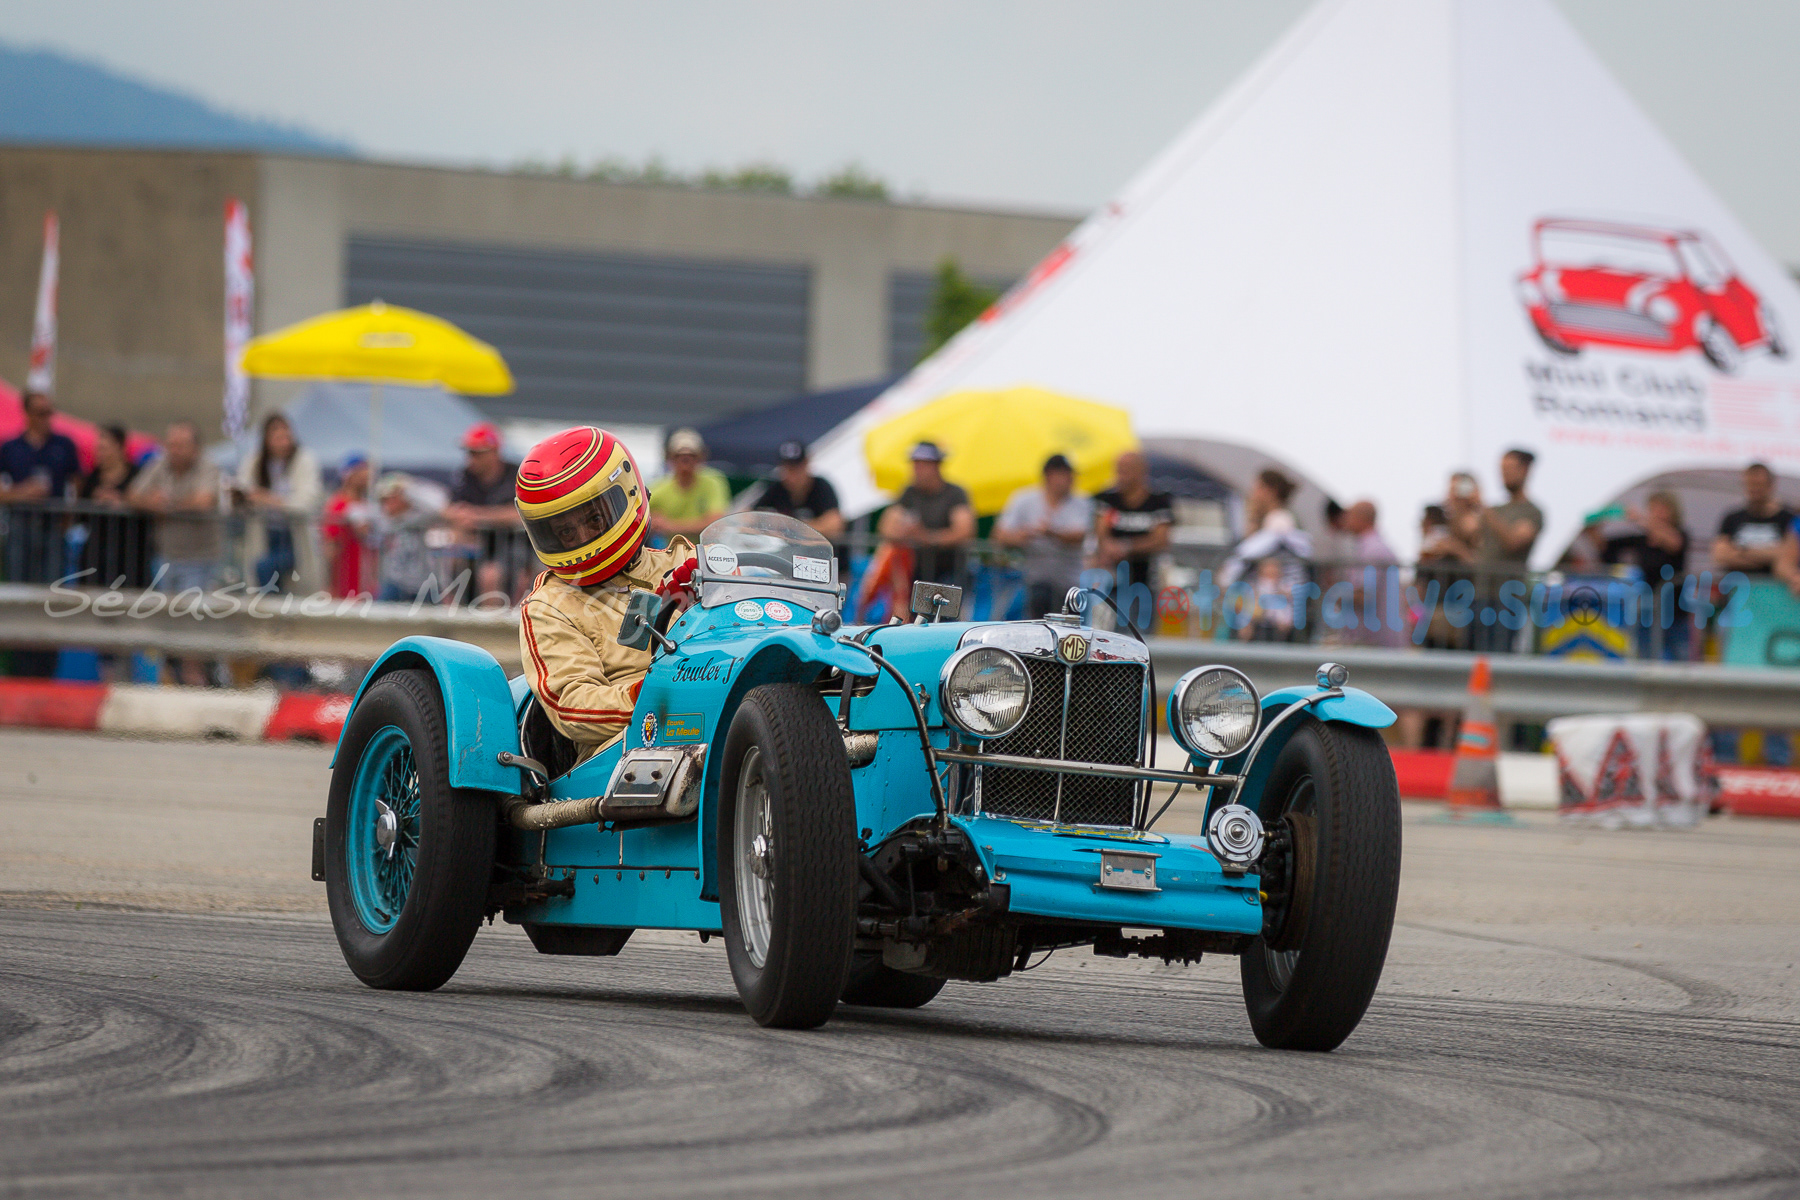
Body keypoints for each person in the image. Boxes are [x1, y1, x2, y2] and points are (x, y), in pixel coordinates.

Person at [515, 426, 697, 762]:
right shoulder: (549, 605)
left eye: (595, 519)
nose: (583, 537)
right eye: (566, 531)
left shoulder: (688, 560)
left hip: (720, 699)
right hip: (626, 743)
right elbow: (572, 703)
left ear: (628, 494)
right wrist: (648, 694)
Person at [1462, 449, 1543, 653]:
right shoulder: (1496, 510)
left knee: (1498, 657)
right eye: (1502, 469)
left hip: (1507, 599)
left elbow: (1513, 542)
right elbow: (1467, 532)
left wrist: (1483, 507)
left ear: (1525, 470)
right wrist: (1458, 505)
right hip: (1480, 595)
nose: (1504, 474)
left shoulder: (1532, 512)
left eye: (1510, 468)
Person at [128, 421, 222, 594]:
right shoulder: (159, 465)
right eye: (171, 445)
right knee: (166, 609)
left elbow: (204, 501)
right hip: (165, 556)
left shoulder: (208, 467)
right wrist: (151, 502)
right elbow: (132, 494)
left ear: (195, 448)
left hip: (199, 559)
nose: (174, 450)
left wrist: (167, 503)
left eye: (180, 445)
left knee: (190, 608)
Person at [233, 412, 322, 593]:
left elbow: (307, 501)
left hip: (292, 536)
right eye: (278, 438)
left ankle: (272, 605)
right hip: (266, 533)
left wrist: (270, 500)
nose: (284, 443)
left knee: (267, 568)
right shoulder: (255, 462)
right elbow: (243, 491)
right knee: (264, 571)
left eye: (286, 437)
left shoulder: (304, 460)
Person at [995, 453, 1093, 617]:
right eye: (1064, 474)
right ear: (1049, 475)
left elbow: (1080, 535)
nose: (1070, 479)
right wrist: (1023, 535)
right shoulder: (1023, 499)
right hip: (1033, 580)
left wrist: (1051, 533)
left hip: (1071, 582)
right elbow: (1000, 534)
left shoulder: (1083, 502)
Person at [0, 390, 81, 584]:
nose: (46, 418)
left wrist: (70, 514)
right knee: (18, 582)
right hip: (21, 524)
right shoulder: (11, 447)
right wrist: (22, 493)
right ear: (28, 414)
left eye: (49, 412)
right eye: (41, 413)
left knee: (52, 583)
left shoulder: (64, 445)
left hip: (53, 525)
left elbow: (78, 481)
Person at [1219, 468, 1312, 635]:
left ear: (1270, 491)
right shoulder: (1269, 520)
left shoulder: (1280, 522)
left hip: (1272, 617)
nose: (1253, 494)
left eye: (1257, 488)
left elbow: (1254, 556)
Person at [1602, 490, 1691, 660]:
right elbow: (1605, 547)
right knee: (1646, 659)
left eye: (1662, 509)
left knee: (1681, 660)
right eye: (1653, 509)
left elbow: (1675, 543)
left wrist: (1640, 519)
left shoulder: (1680, 534)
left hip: (1676, 613)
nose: (1657, 514)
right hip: (1647, 612)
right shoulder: (1641, 539)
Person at [876, 441, 975, 589]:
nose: (917, 469)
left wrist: (929, 538)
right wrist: (906, 534)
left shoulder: (955, 493)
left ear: (936, 466)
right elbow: (886, 527)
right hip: (916, 571)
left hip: (950, 571)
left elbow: (965, 531)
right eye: (915, 464)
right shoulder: (909, 492)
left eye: (923, 464)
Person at [444, 422, 524, 601]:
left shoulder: (517, 475)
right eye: (469, 452)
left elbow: (521, 513)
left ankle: (491, 619)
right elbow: (449, 508)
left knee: (490, 576)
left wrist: (478, 516)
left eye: (477, 453)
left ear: (494, 452)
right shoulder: (465, 476)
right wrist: (461, 517)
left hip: (513, 547)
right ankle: (450, 616)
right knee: (447, 568)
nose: (471, 458)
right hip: (477, 546)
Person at [746, 439, 847, 576]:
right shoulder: (776, 488)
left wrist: (791, 526)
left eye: (796, 468)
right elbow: (748, 516)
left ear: (806, 464)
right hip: (788, 564)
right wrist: (767, 524)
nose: (792, 475)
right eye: (787, 468)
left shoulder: (821, 487)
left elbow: (835, 524)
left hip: (823, 566)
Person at [76, 424, 151, 588]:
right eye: (98, 449)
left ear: (119, 447)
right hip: (97, 552)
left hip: (130, 553)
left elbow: (148, 504)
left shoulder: (138, 475)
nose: (99, 453)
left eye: (104, 448)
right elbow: (80, 515)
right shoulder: (92, 478)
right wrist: (95, 502)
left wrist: (122, 502)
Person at [1091, 451, 1174, 593]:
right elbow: (1101, 532)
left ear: (1141, 472)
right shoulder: (1108, 500)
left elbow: (1161, 539)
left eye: (1127, 470)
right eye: (1119, 470)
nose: (1121, 476)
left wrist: (1127, 547)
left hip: (1147, 579)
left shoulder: (1158, 502)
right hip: (1113, 578)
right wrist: (1108, 546)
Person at [649, 428, 731, 540]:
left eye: (691, 456)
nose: (685, 461)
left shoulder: (713, 483)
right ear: (671, 458)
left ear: (700, 458)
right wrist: (653, 521)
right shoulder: (659, 488)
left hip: (705, 549)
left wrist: (671, 526)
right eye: (680, 457)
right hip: (672, 550)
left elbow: (716, 521)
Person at [1713, 462, 1792, 574]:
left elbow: (1788, 554)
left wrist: (1741, 551)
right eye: (1750, 485)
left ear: (1771, 485)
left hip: (1774, 583)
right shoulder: (1732, 517)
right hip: (1738, 582)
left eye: (1759, 485)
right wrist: (1767, 559)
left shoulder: (1788, 519)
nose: (1754, 490)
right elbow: (1720, 555)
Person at [372, 474, 438, 603]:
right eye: (385, 500)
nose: (389, 503)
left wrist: (409, 492)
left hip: (422, 582)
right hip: (394, 581)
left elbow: (434, 510)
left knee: (435, 614)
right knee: (378, 612)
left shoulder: (419, 518)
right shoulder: (383, 522)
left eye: (394, 498)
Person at [320, 454, 373, 598]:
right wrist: (330, 585)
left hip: (364, 581)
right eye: (361, 471)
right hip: (345, 582)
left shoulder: (366, 505)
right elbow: (330, 547)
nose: (366, 476)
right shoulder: (338, 505)